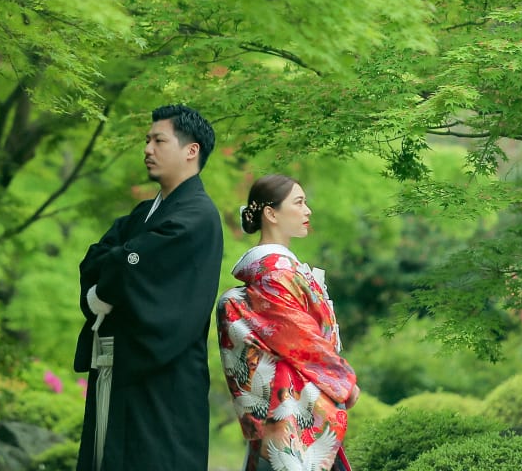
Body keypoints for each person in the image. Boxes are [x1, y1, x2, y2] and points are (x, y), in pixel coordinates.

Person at [73, 104, 224, 471]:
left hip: (163, 374)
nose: (147, 149)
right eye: (147, 140)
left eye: (159, 140)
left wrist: (108, 284)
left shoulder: (197, 216)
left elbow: (125, 264)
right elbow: (95, 258)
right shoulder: (145, 214)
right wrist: (111, 278)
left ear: (192, 151)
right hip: (120, 364)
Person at [216, 174, 359, 471]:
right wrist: (343, 381)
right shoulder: (273, 271)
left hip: (292, 400)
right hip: (293, 403)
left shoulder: (279, 267)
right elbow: (300, 338)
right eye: (299, 202)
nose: (308, 211)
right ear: (271, 213)